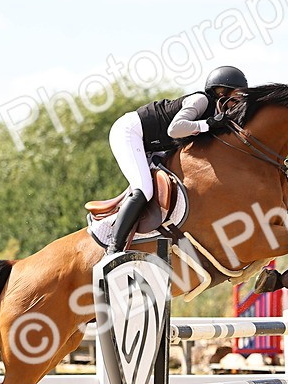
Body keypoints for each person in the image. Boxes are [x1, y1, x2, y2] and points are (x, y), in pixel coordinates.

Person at [105, 66, 248, 253]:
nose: (238, 103)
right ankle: (113, 248)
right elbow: (175, 129)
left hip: (152, 146)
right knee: (144, 190)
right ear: (221, 92)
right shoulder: (201, 100)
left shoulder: (217, 114)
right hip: (130, 132)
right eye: (236, 96)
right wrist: (208, 124)